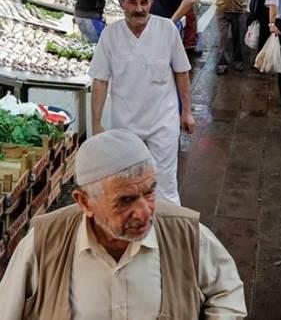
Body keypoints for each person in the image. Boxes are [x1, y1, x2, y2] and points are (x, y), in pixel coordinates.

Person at [0, 129, 247, 319]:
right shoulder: (43, 244)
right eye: (125, 200)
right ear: (84, 202)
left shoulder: (188, 235)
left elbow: (227, 292)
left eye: (150, 192)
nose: (144, 213)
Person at [89, 0, 195, 205]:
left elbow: (181, 72)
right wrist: (96, 124)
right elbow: (100, 82)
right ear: (122, 4)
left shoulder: (167, 29)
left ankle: (168, 230)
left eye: (144, 2)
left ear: (151, 3)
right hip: (125, 123)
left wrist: (186, 111)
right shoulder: (110, 35)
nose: (139, 8)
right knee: (128, 181)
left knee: (166, 181)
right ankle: (133, 228)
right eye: (133, 2)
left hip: (163, 120)